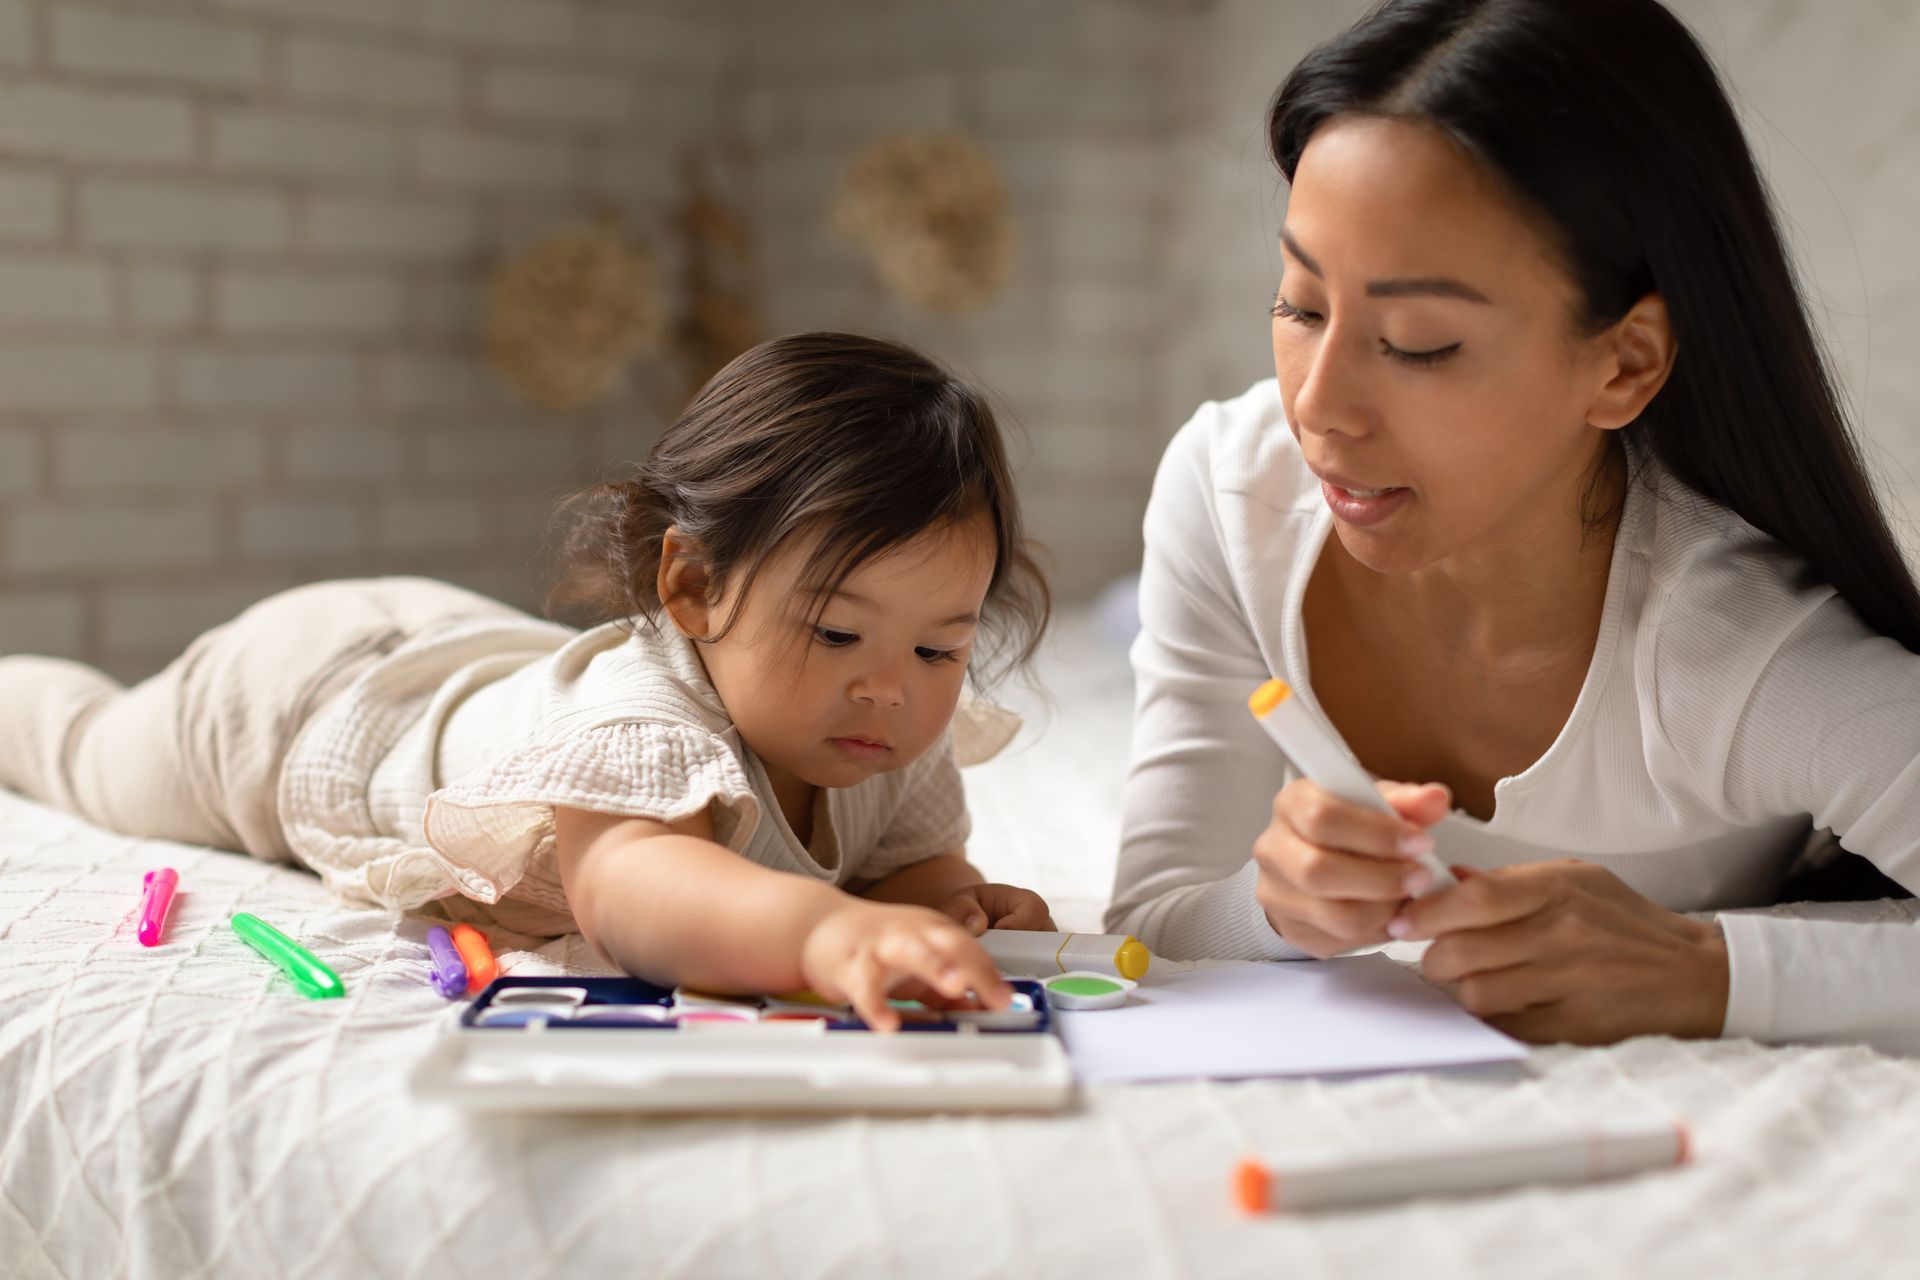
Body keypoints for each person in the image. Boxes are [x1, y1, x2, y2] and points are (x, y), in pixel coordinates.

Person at [1105, 0, 1920, 1051]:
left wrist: (1704, 971)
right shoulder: (1232, 494)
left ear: (1623, 363)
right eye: (1302, 305)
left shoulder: (1739, 654)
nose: (1318, 405)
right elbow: (1148, 919)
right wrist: (1273, 908)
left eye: (1418, 343)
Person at [0, 332, 1056, 1031]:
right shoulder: (646, 726)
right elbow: (638, 891)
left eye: (937, 648)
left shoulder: (893, 739)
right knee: (82, 748)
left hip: (465, 651)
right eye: (835, 631)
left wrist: (943, 908)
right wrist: (826, 933)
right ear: (690, 587)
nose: (891, 689)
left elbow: (903, 866)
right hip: (302, 704)